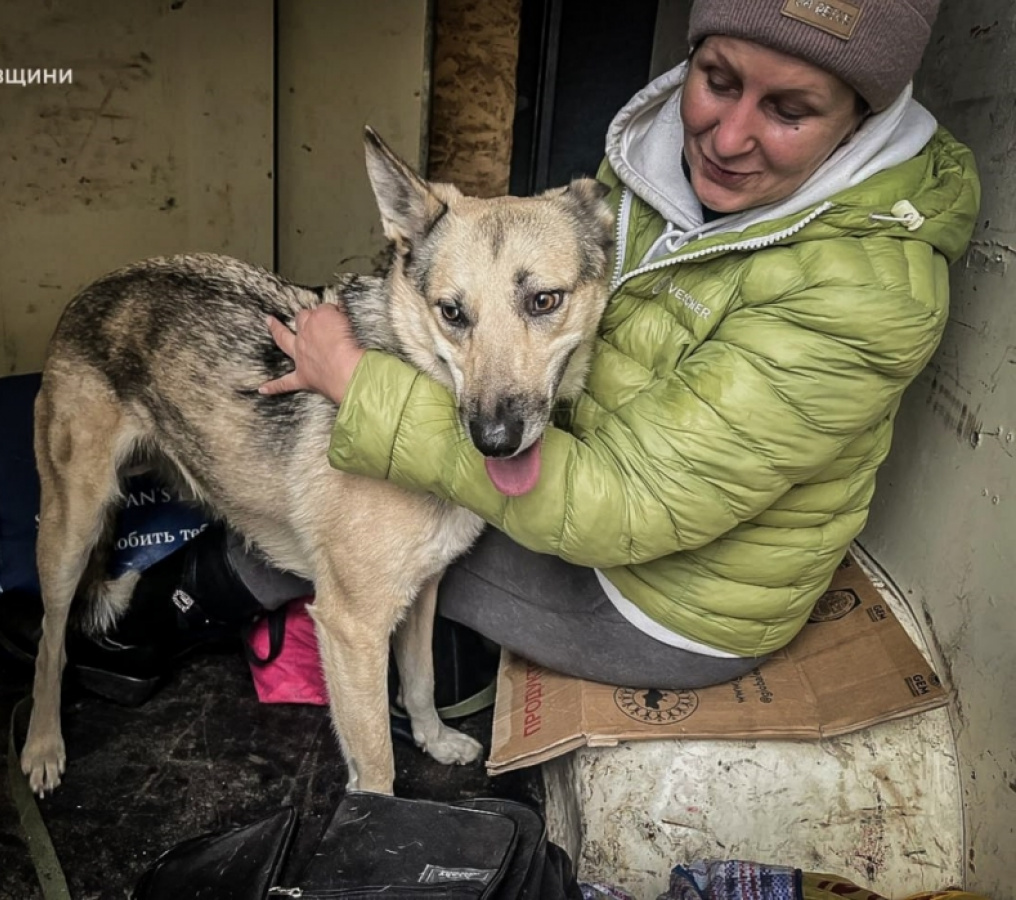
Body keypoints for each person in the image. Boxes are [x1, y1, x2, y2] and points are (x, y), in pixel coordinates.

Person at [250, 0, 980, 689]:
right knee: (343, 498)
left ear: (861, 121)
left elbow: (628, 508)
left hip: (667, 600)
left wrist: (358, 385)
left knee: (347, 530)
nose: (727, 140)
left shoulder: (869, 292)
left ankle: (189, 601)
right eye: (717, 81)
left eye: (789, 110)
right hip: (589, 493)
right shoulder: (643, 173)